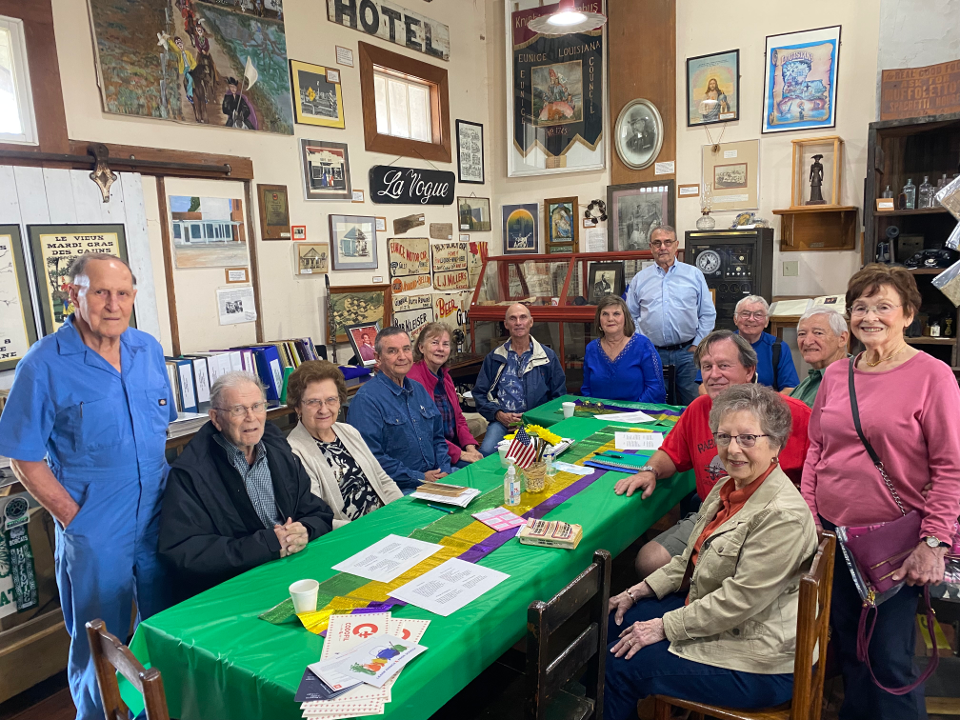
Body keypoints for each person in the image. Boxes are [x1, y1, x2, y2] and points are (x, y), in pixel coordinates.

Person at [0, 254, 177, 720]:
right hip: (95, 522)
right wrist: (72, 518)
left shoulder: (148, 349)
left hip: (160, 512)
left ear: (134, 297)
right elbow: (23, 456)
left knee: (164, 627)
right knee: (101, 642)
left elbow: (160, 428)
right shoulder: (44, 364)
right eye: (100, 292)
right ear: (72, 294)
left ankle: (160, 711)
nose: (112, 304)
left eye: (122, 293)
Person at [802, 264, 960, 720]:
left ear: (908, 314)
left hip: (894, 542)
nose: (870, 316)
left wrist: (933, 543)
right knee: (850, 650)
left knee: (889, 661)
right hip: (833, 536)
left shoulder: (933, 376)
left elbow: (951, 468)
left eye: (883, 306)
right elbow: (817, 450)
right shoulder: (835, 375)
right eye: (860, 307)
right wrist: (810, 516)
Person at [603, 384, 818, 720]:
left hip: (761, 658)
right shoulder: (727, 486)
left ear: (775, 443)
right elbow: (692, 558)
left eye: (748, 438)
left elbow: (737, 601)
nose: (732, 450)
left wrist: (664, 626)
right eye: (724, 437)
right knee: (616, 623)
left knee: (618, 666)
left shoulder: (782, 516)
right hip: (734, 621)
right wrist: (639, 588)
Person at [615, 330, 812, 579]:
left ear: (749, 370)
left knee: (732, 575)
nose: (714, 374)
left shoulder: (795, 414)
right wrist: (650, 470)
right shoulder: (698, 409)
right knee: (648, 561)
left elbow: (821, 480)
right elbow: (672, 452)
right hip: (714, 514)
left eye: (724, 365)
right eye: (707, 366)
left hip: (769, 525)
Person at [159, 372, 333, 599]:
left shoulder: (279, 452)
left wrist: (306, 530)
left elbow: (318, 512)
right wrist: (266, 545)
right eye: (238, 410)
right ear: (215, 418)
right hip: (239, 589)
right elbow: (184, 552)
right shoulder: (191, 474)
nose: (251, 417)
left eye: (257, 406)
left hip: (295, 571)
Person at [285, 361, 402, 529]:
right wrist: (369, 530)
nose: (324, 409)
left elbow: (383, 481)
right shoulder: (293, 452)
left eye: (331, 400)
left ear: (340, 401)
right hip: (352, 534)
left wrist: (401, 513)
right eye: (313, 402)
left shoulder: (348, 431)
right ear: (297, 406)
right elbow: (316, 519)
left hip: (385, 521)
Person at [348, 327, 452, 494]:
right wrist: (420, 477)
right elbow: (372, 457)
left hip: (437, 478)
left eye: (406, 349)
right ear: (378, 358)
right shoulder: (366, 400)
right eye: (392, 351)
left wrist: (444, 469)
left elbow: (438, 438)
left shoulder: (418, 390)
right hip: (399, 488)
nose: (402, 357)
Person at [625, 225, 716, 405]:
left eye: (667, 242)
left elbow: (707, 313)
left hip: (688, 353)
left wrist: (697, 344)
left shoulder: (694, 275)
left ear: (676, 245)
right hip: (652, 353)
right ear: (651, 247)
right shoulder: (640, 279)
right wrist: (644, 344)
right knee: (653, 404)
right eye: (657, 243)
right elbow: (630, 317)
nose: (662, 247)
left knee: (693, 402)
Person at [473, 303, 567, 456]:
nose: (518, 323)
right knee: (486, 453)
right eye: (513, 318)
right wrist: (499, 415)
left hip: (536, 424)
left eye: (523, 317)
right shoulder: (495, 357)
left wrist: (532, 419)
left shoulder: (547, 357)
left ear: (531, 322)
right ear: (506, 324)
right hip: (502, 422)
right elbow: (479, 394)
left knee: (538, 457)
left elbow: (559, 397)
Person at [407, 323, 484, 468]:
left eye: (445, 344)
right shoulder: (414, 380)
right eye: (434, 343)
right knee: (480, 471)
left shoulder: (444, 375)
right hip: (432, 453)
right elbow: (425, 432)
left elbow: (459, 418)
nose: (441, 348)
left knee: (487, 462)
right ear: (421, 347)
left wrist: (470, 448)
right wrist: (461, 454)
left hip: (452, 447)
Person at [698, 295, 798, 394]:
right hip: (725, 405)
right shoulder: (719, 345)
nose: (751, 319)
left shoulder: (778, 347)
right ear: (735, 319)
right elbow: (703, 387)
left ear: (767, 321)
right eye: (745, 314)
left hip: (765, 406)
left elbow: (790, 389)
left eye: (758, 315)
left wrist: (762, 406)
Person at [581, 296, 666, 403]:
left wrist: (632, 411)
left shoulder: (643, 345)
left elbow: (656, 388)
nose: (610, 318)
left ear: (625, 318)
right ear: (599, 320)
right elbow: (586, 389)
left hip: (638, 413)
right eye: (605, 314)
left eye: (616, 313)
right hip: (599, 414)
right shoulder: (591, 349)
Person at [790, 306, 849, 407]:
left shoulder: (851, 381)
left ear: (842, 339)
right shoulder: (811, 380)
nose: (807, 342)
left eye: (818, 333)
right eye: (802, 334)